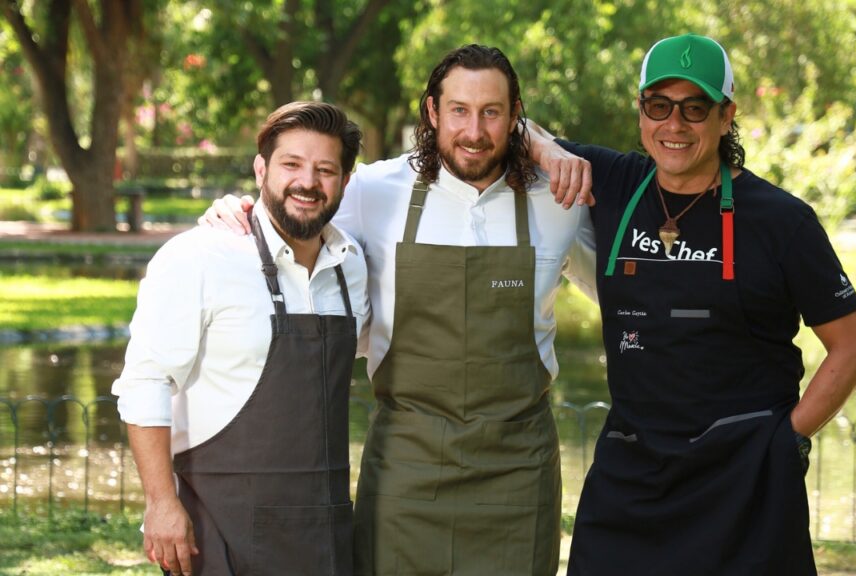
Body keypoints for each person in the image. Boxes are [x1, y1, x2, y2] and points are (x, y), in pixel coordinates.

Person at [201, 45, 597, 575]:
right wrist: (237, 210)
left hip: (519, 474)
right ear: (432, 111)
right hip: (406, 469)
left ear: (515, 116)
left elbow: (623, 296)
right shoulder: (374, 190)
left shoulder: (560, 201)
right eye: (458, 110)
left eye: (491, 112)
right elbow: (295, 212)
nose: (474, 131)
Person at [527, 34, 856, 575]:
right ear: (641, 109)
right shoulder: (613, 182)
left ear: (726, 115)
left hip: (746, 484)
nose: (675, 124)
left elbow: (854, 348)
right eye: (659, 105)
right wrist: (551, 151)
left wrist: (785, 440)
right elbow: (512, 126)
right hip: (630, 481)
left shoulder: (782, 221)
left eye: (695, 108)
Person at [113, 101, 370, 576]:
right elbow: (146, 381)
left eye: (325, 170)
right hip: (216, 529)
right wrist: (161, 503)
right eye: (291, 164)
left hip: (323, 533)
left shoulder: (352, 267)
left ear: (345, 181)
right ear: (261, 169)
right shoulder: (200, 257)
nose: (307, 182)